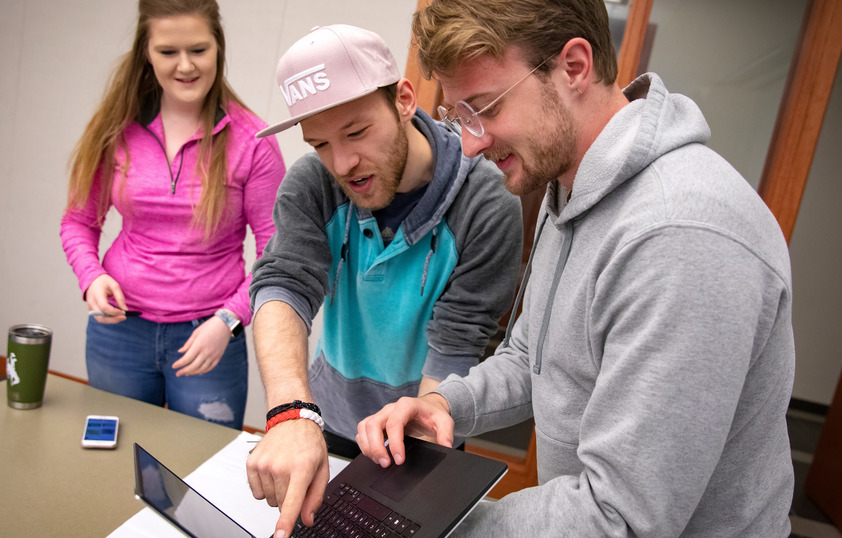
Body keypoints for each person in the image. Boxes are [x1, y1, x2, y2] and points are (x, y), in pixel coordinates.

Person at [356, 1, 796, 536]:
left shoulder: (678, 234)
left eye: (485, 108)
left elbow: (623, 516)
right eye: (459, 118)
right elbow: (534, 357)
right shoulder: (567, 182)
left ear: (573, 67)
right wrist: (443, 403)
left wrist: (434, 523)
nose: (470, 145)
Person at [244, 24, 523, 536]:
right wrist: (289, 414)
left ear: (403, 98)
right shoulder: (313, 185)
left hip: (420, 434)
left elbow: (456, 345)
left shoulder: (486, 205)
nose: (342, 163)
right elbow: (283, 285)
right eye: (320, 143)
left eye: (355, 132)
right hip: (325, 422)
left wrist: (405, 466)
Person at [60, 0, 285, 430]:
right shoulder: (114, 130)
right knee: (114, 462)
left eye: (198, 50)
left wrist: (229, 320)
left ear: (218, 48)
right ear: (146, 52)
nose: (185, 66)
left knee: (201, 472)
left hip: (210, 337)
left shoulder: (253, 142)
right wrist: (91, 277)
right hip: (119, 332)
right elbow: (78, 221)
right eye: (168, 52)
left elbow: (278, 251)